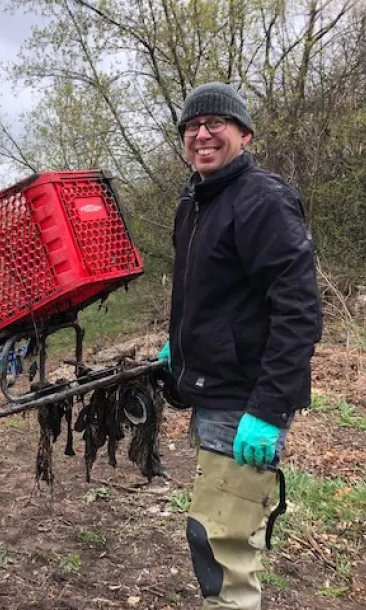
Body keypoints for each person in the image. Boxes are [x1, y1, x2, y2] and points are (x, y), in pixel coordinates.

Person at [158, 83, 322, 609]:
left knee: (223, 546)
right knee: (216, 539)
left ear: (244, 134)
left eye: (215, 124)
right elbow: (203, 295)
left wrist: (270, 409)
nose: (201, 135)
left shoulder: (262, 201)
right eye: (191, 127)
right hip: (211, 389)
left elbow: (299, 312)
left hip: (244, 400)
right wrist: (175, 349)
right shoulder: (195, 199)